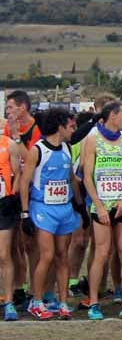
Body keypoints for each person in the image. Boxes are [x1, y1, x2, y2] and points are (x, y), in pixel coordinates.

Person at [80, 101, 122, 320]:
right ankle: (94, 302)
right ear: (112, 116)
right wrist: (98, 205)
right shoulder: (92, 139)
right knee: (102, 253)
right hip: (101, 205)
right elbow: (87, 176)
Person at [20, 108, 82, 320]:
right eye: (70, 126)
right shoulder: (38, 150)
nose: (73, 130)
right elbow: (25, 182)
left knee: (62, 256)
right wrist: (25, 213)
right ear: (60, 126)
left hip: (64, 208)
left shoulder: (66, 148)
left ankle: (63, 302)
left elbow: (72, 179)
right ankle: (37, 301)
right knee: (46, 255)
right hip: (43, 208)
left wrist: (80, 205)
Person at [0, 126, 22, 321]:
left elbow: (18, 173)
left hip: (3, 206)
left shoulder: (9, 144)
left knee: (4, 253)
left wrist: (11, 197)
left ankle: (8, 301)